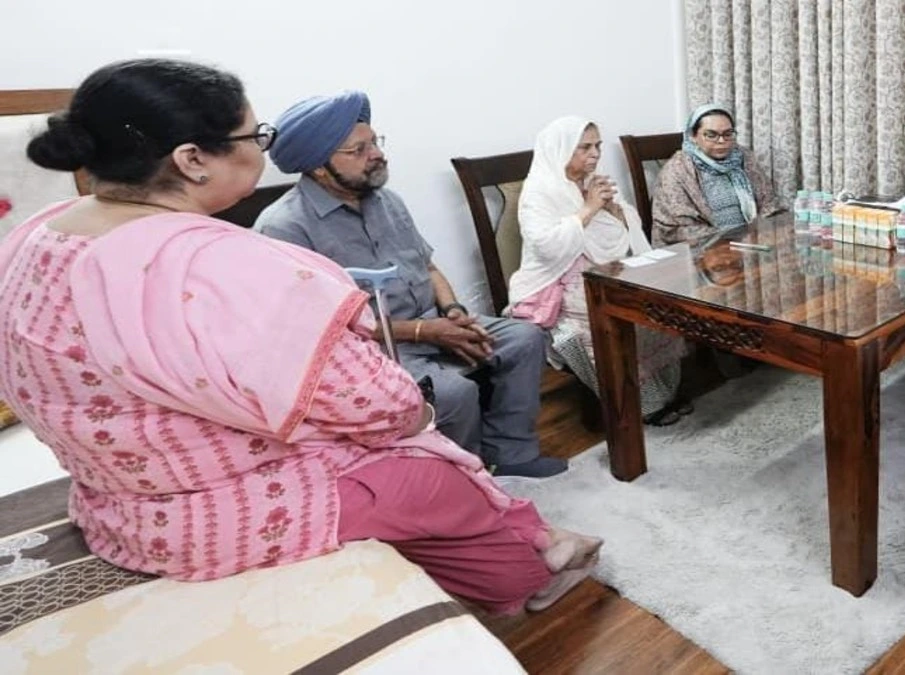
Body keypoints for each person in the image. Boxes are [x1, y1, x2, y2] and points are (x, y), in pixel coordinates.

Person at [0, 59, 598, 615]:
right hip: (205, 509)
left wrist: (451, 311)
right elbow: (382, 405)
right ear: (192, 159)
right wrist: (414, 415)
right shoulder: (228, 258)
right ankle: (528, 572)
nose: (262, 148)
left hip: (116, 497)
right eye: (254, 135)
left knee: (503, 359)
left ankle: (534, 523)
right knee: (430, 473)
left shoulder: (36, 235)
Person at [255, 91, 564, 478]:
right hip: (372, 349)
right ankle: (467, 480)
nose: (377, 155)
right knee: (455, 394)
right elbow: (318, 329)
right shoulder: (284, 227)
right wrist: (424, 332)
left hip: (434, 322)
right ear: (319, 167)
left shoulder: (388, 201)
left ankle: (511, 453)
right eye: (359, 150)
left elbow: (429, 268)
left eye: (375, 142)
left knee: (524, 337)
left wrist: (454, 312)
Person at [506, 116, 688, 426]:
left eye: (598, 146)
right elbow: (547, 247)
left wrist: (615, 211)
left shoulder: (594, 181)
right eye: (585, 147)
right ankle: (640, 403)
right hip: (562, 278)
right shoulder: (540, 192)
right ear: (561, 149)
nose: (595, 154)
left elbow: (625, 228)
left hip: (610, 266)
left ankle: (665, 391)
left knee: (655, 299)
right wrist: (589, 208)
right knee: (610, 314)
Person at [651, 104, 778, 246]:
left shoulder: (745, 157)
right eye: (711, 135)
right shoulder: (678, 169)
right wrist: (729, 238)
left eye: (728, 134)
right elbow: (677, 228)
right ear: (693, 136)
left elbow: (769, 204)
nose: (721, 141)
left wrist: (762, 232)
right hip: (704, 247)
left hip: (751, 241)